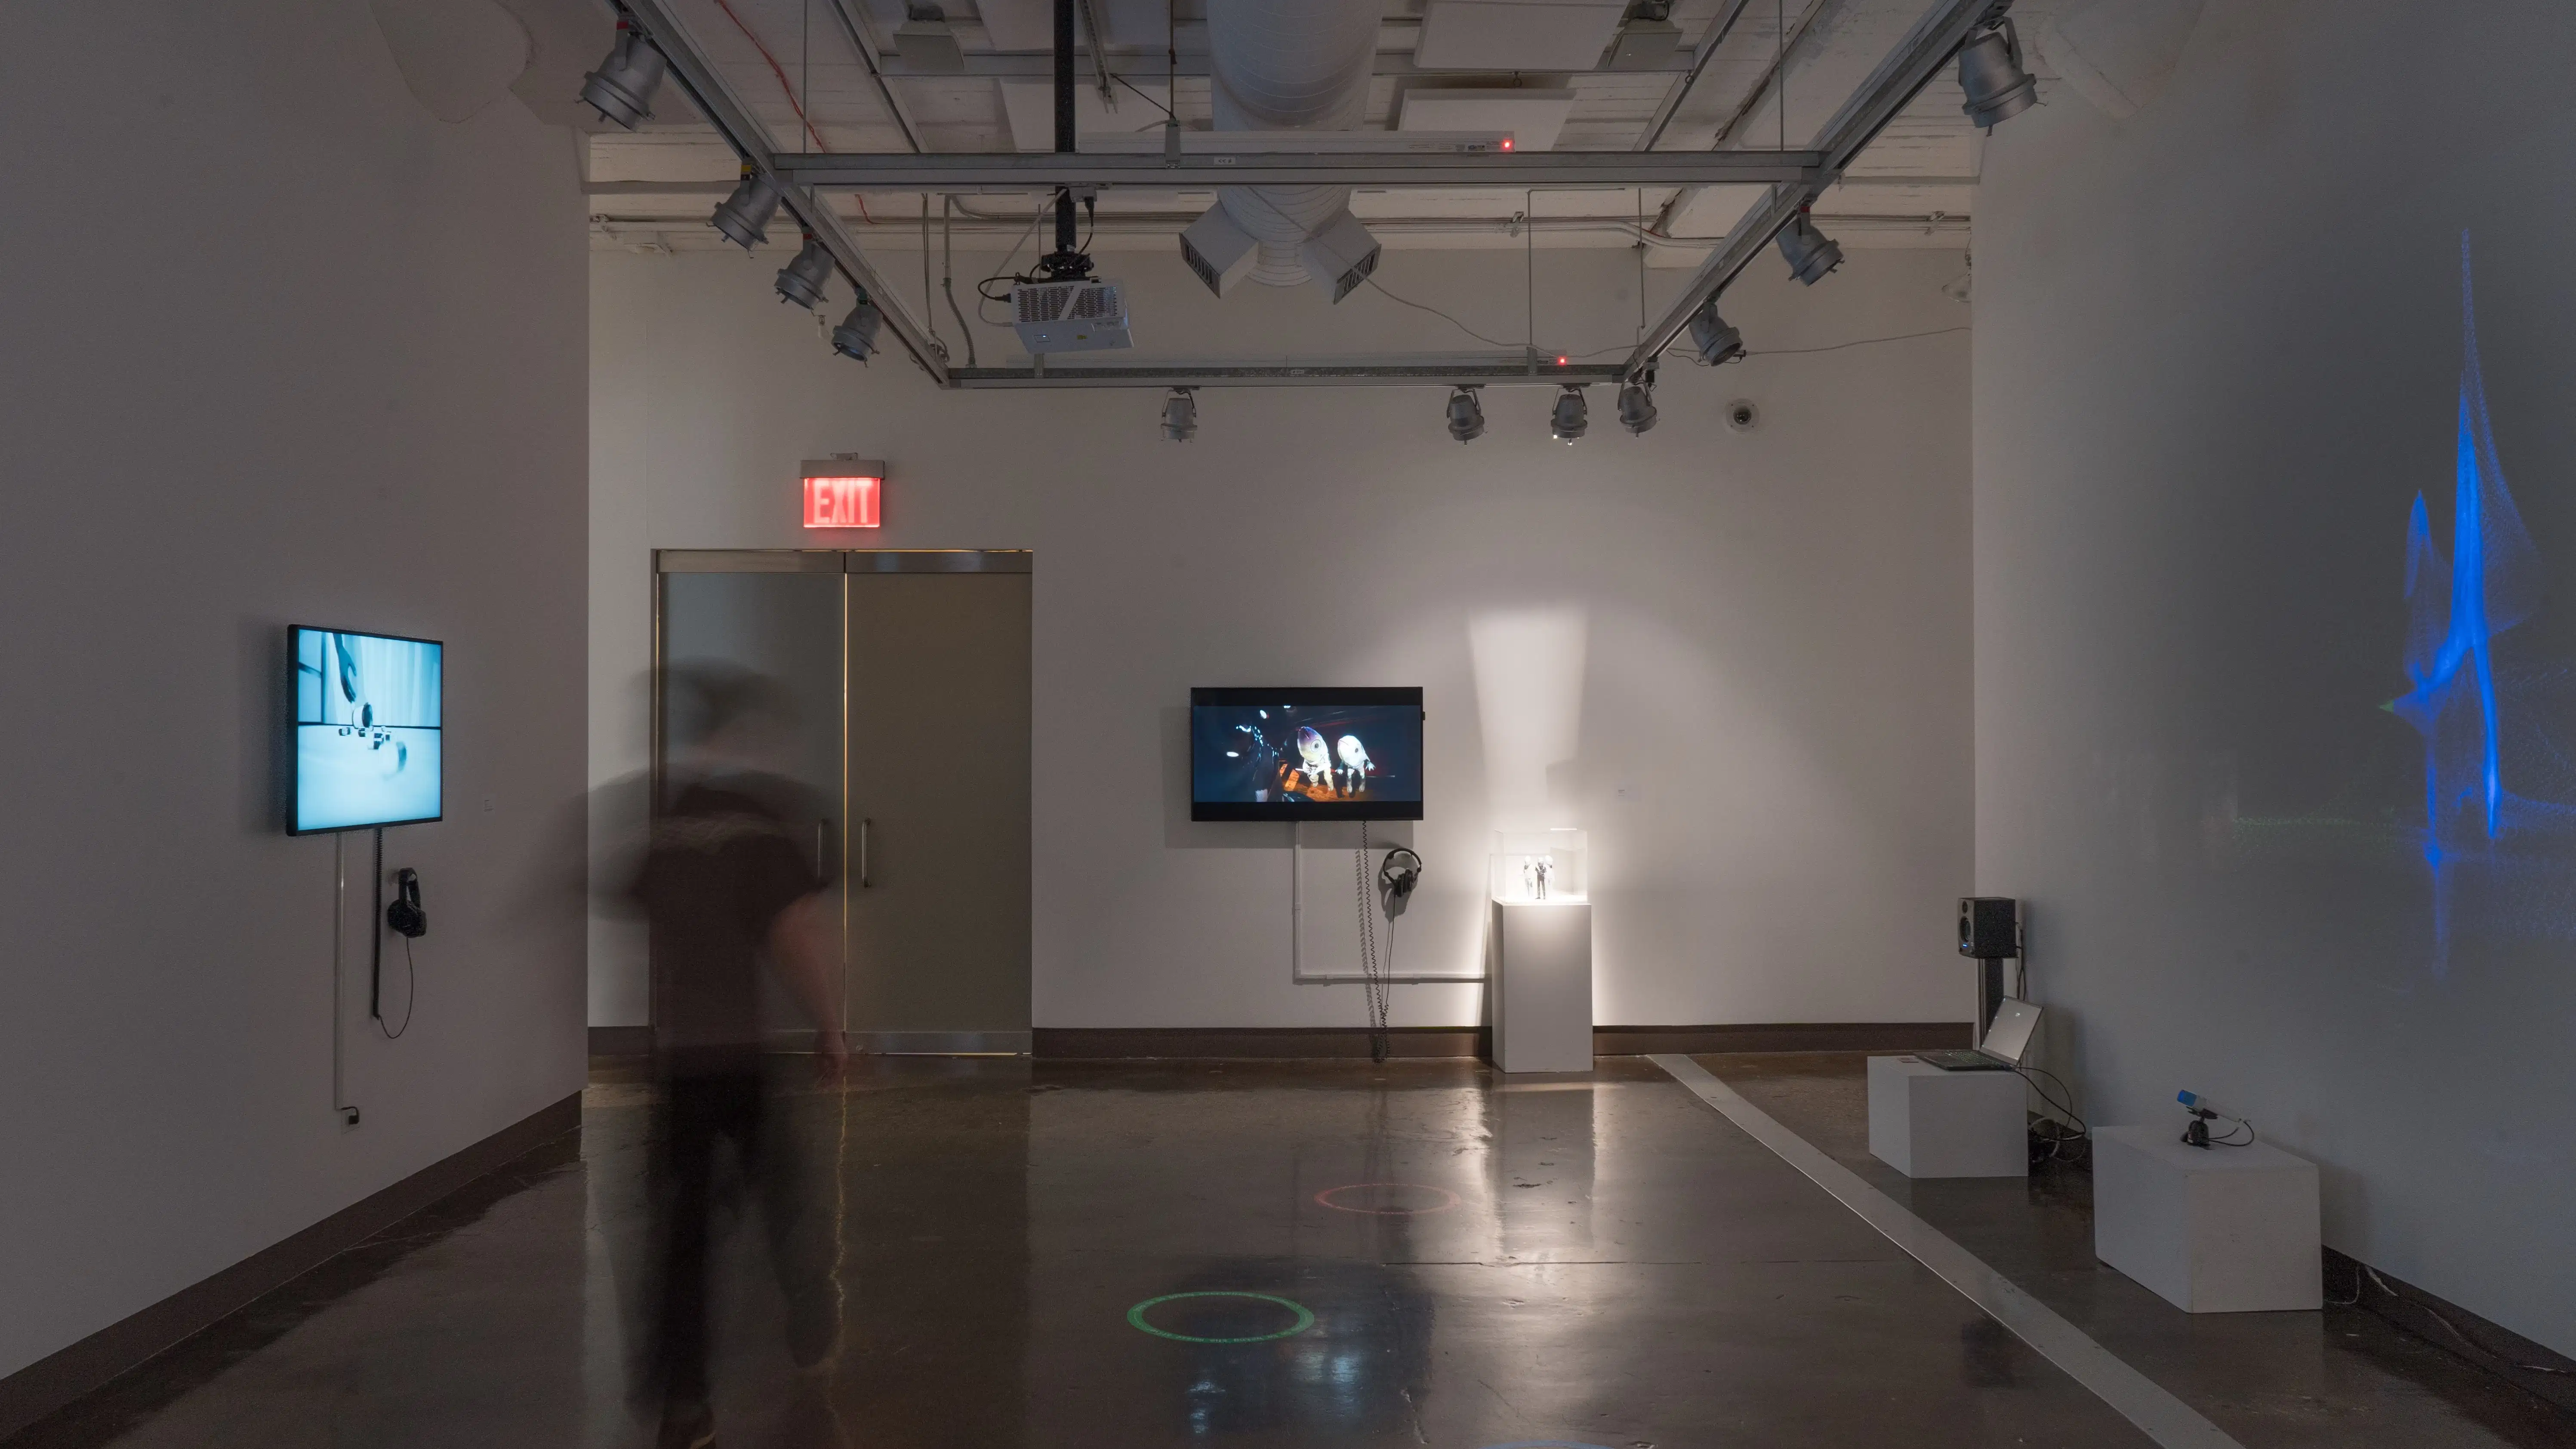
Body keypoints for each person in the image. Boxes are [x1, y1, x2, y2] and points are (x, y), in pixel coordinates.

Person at [630, 664, 847, 1449]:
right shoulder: (759, 822)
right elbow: (793, 935)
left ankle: (685, 1404)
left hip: (679, 1061)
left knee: (683, 1239)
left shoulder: (662, 823)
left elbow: (649, 926)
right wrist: (830, 1027)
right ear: (742, 734)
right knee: (786, 1200)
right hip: (743, 1057)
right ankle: (810, 1310)